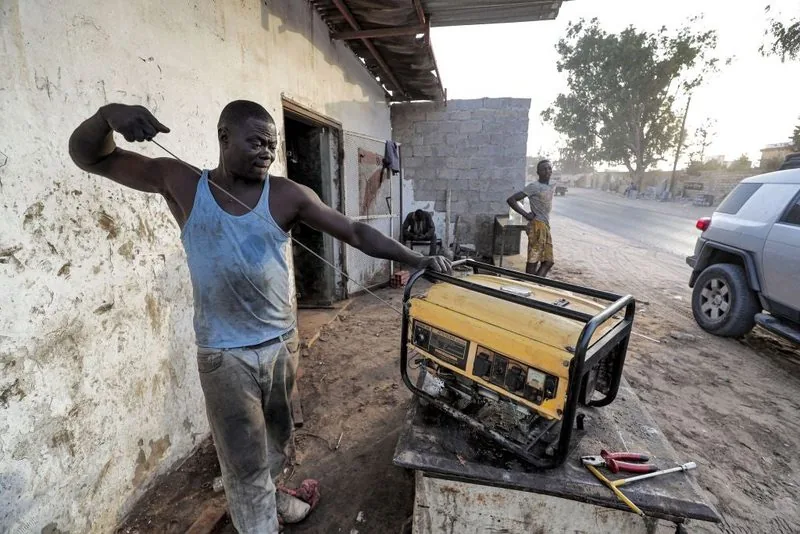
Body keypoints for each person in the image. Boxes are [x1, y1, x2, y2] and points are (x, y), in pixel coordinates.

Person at [68, 101, 451, 534]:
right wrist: (107, 116)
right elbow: (91, 157)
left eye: (272, 145)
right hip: (224, 356)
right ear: (224, 137)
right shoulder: (182, 182)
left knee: (277, 441)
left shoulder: (287, 194)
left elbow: (356, 232)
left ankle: (267, 503)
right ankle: (256, 518)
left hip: (280, 346)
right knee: (244, 459)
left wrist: (416, 259)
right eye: (256, 142)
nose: (267, 152)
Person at [507, 159, 555, 277]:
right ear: (538, 172)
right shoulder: (534, 186)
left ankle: (534, 283)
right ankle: (531, 284)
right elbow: (511, 200)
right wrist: (526, 215)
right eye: (544, 169)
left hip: (545, 226)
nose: (547, 171)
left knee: (548, 261)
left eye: (549, 168)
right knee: (534, 259)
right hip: (537, 226)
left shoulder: (549, 186)